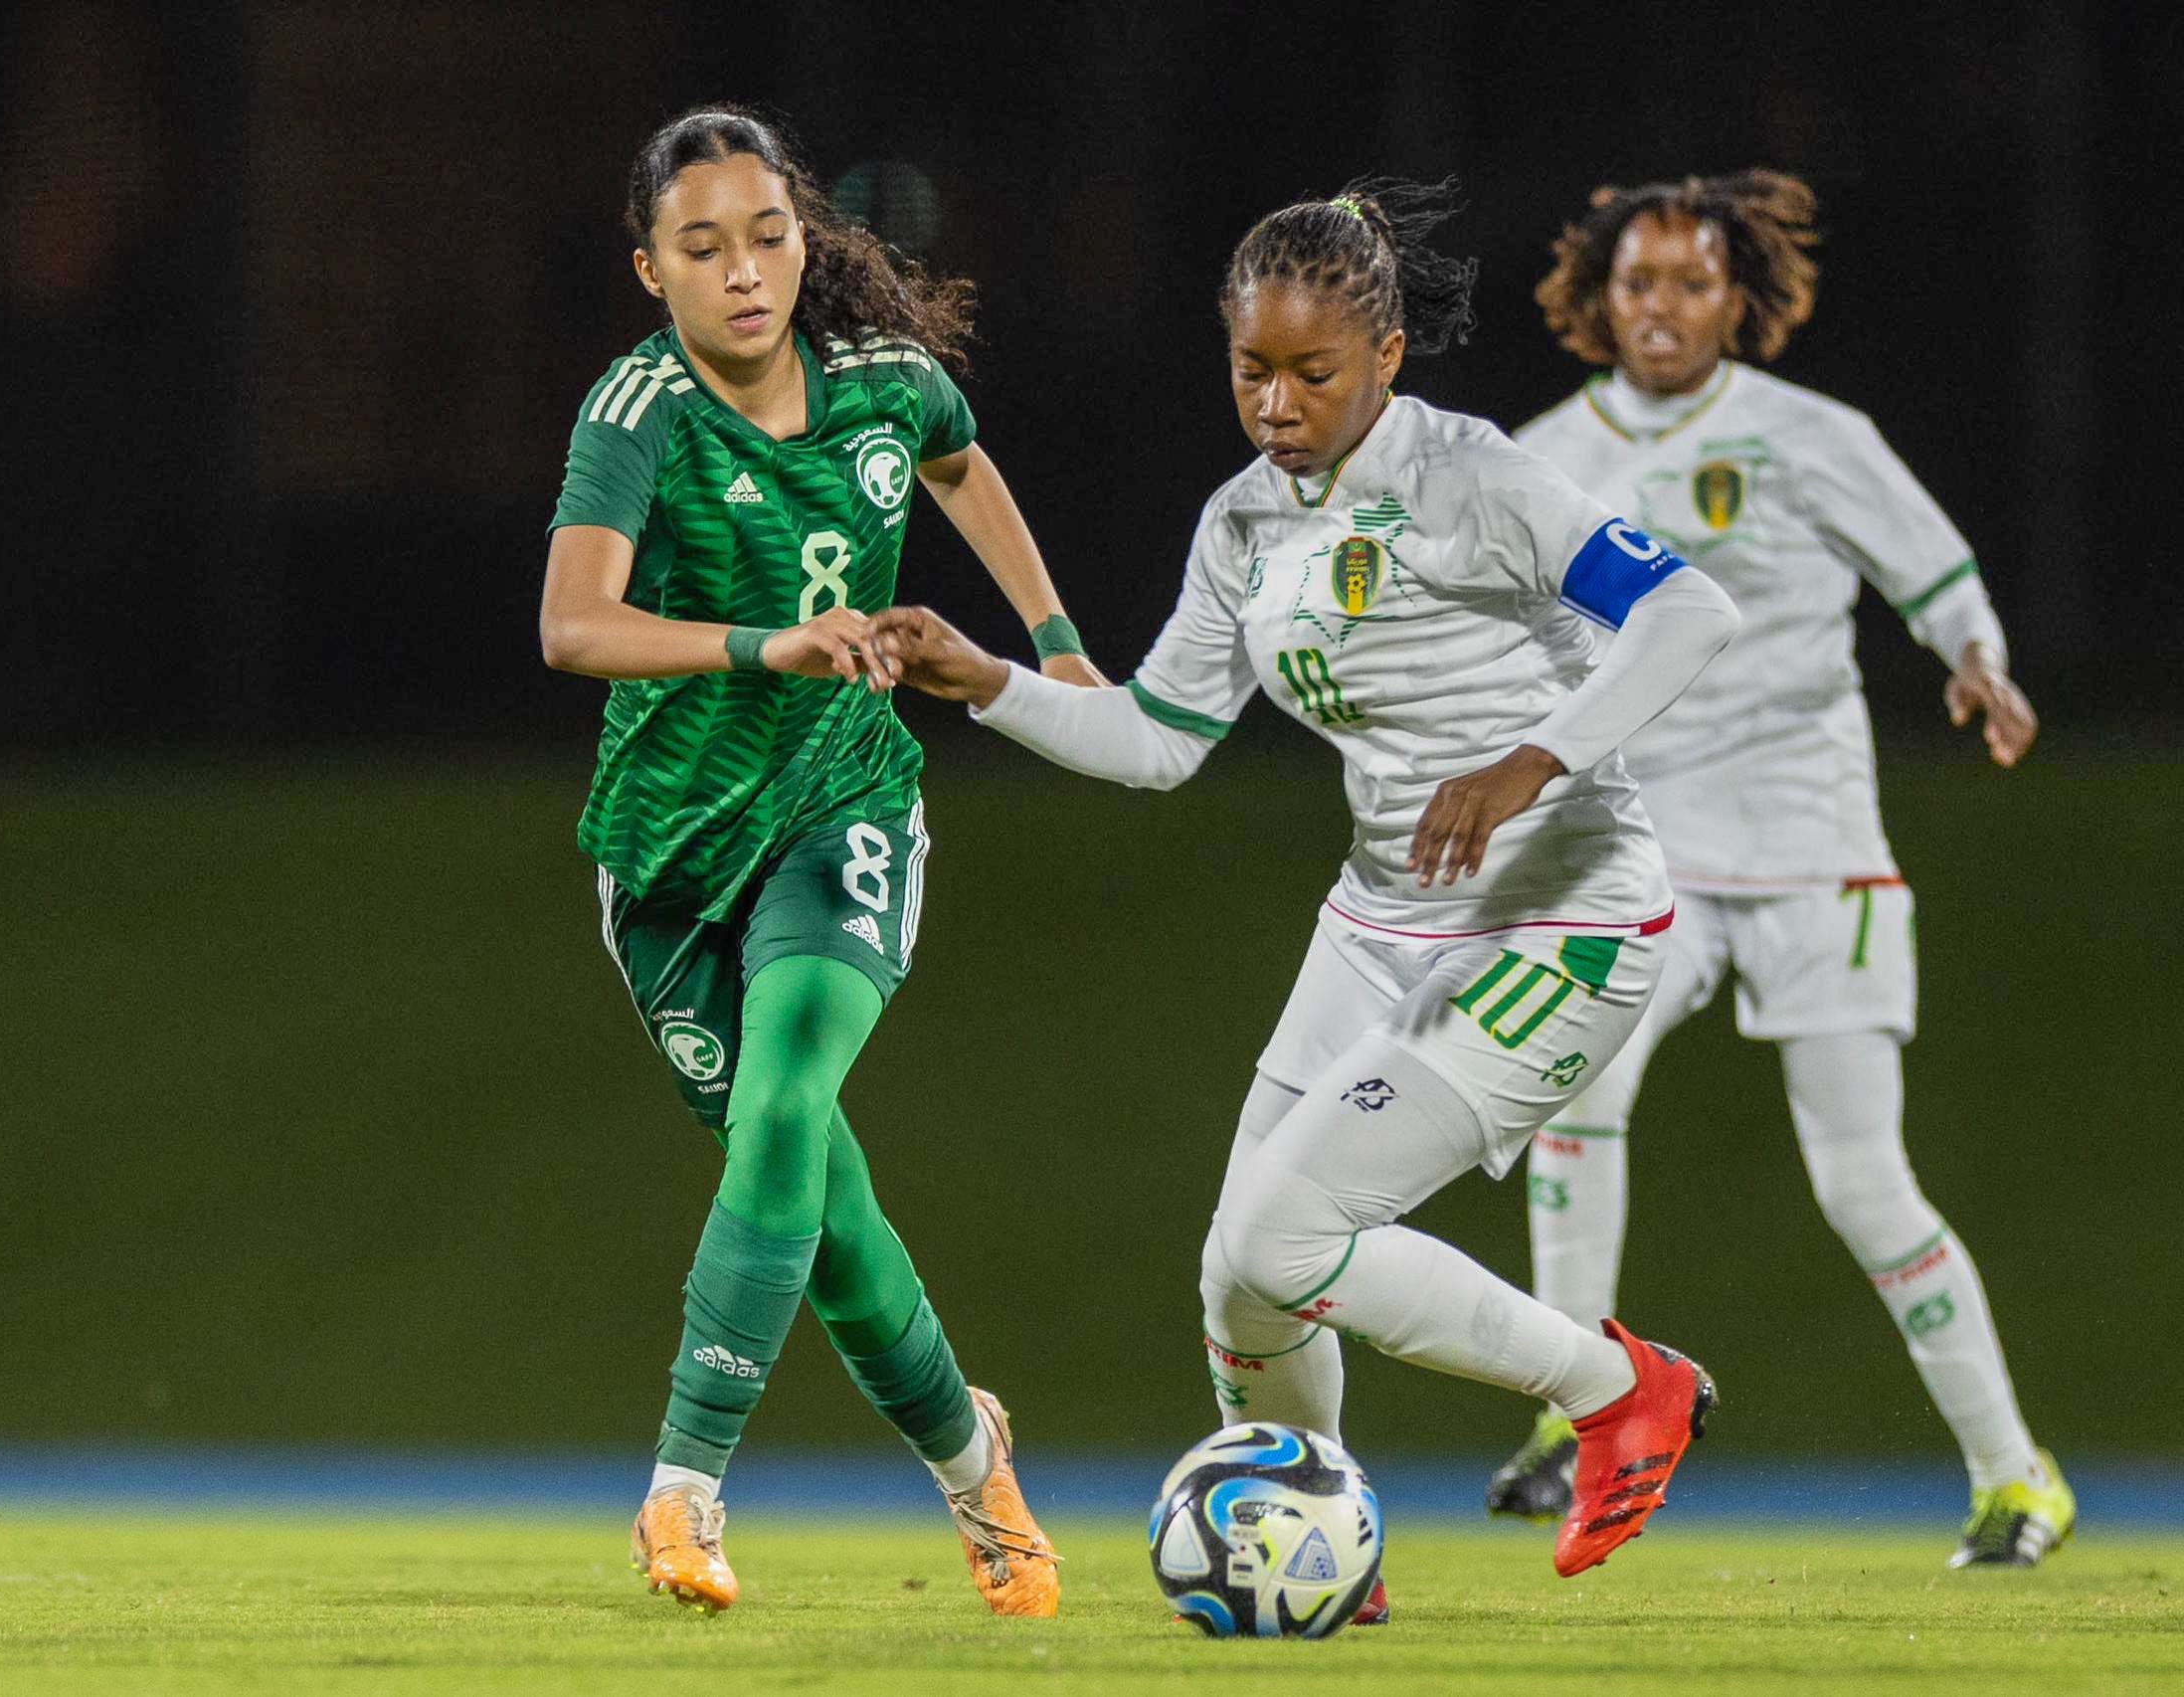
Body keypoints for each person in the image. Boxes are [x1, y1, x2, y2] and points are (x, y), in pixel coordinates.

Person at [870, 180, 1742, 1595]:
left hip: (1563, 919)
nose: (1276, 401)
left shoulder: (1475, 479)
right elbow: (1159, 742)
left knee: (1288, 1233)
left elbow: (1690, 610)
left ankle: (1620, 1385)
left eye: (1312, 371)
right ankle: (1329, 1541)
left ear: (1388, 357)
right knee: (1239, 1283)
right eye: (1250, 369)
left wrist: (1532, 762)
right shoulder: (1240, 528)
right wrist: (991, 683)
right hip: (1380, 922)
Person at [539, 106, 1099, 1616]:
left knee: (789, 1094)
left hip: (841, 807)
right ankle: (973, 1462)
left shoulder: (884, 383)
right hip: (663, 859)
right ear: (648, 269)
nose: (743, 273)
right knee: (823, 1204)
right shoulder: (636, 411)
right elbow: (570, 625)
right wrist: (763, 641)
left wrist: (1051, 642)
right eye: (701, 247)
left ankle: (680, 1486)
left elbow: (960, 463)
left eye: (768, 235)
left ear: (806, 239)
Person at [1492, 171, 2070, 1569]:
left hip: (1816, 849)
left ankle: (2016, 1476)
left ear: (1738, 297)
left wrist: (1979, 664)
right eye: (1641, 282)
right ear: (1598, 297)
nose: (1666, 307)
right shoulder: (1541, 455)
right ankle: (1579, 1408)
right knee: (1571, 1085)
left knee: (1866, 1181)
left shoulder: (1812, 436)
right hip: (1649, 853)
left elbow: (1936, 576)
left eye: (1694, 281)